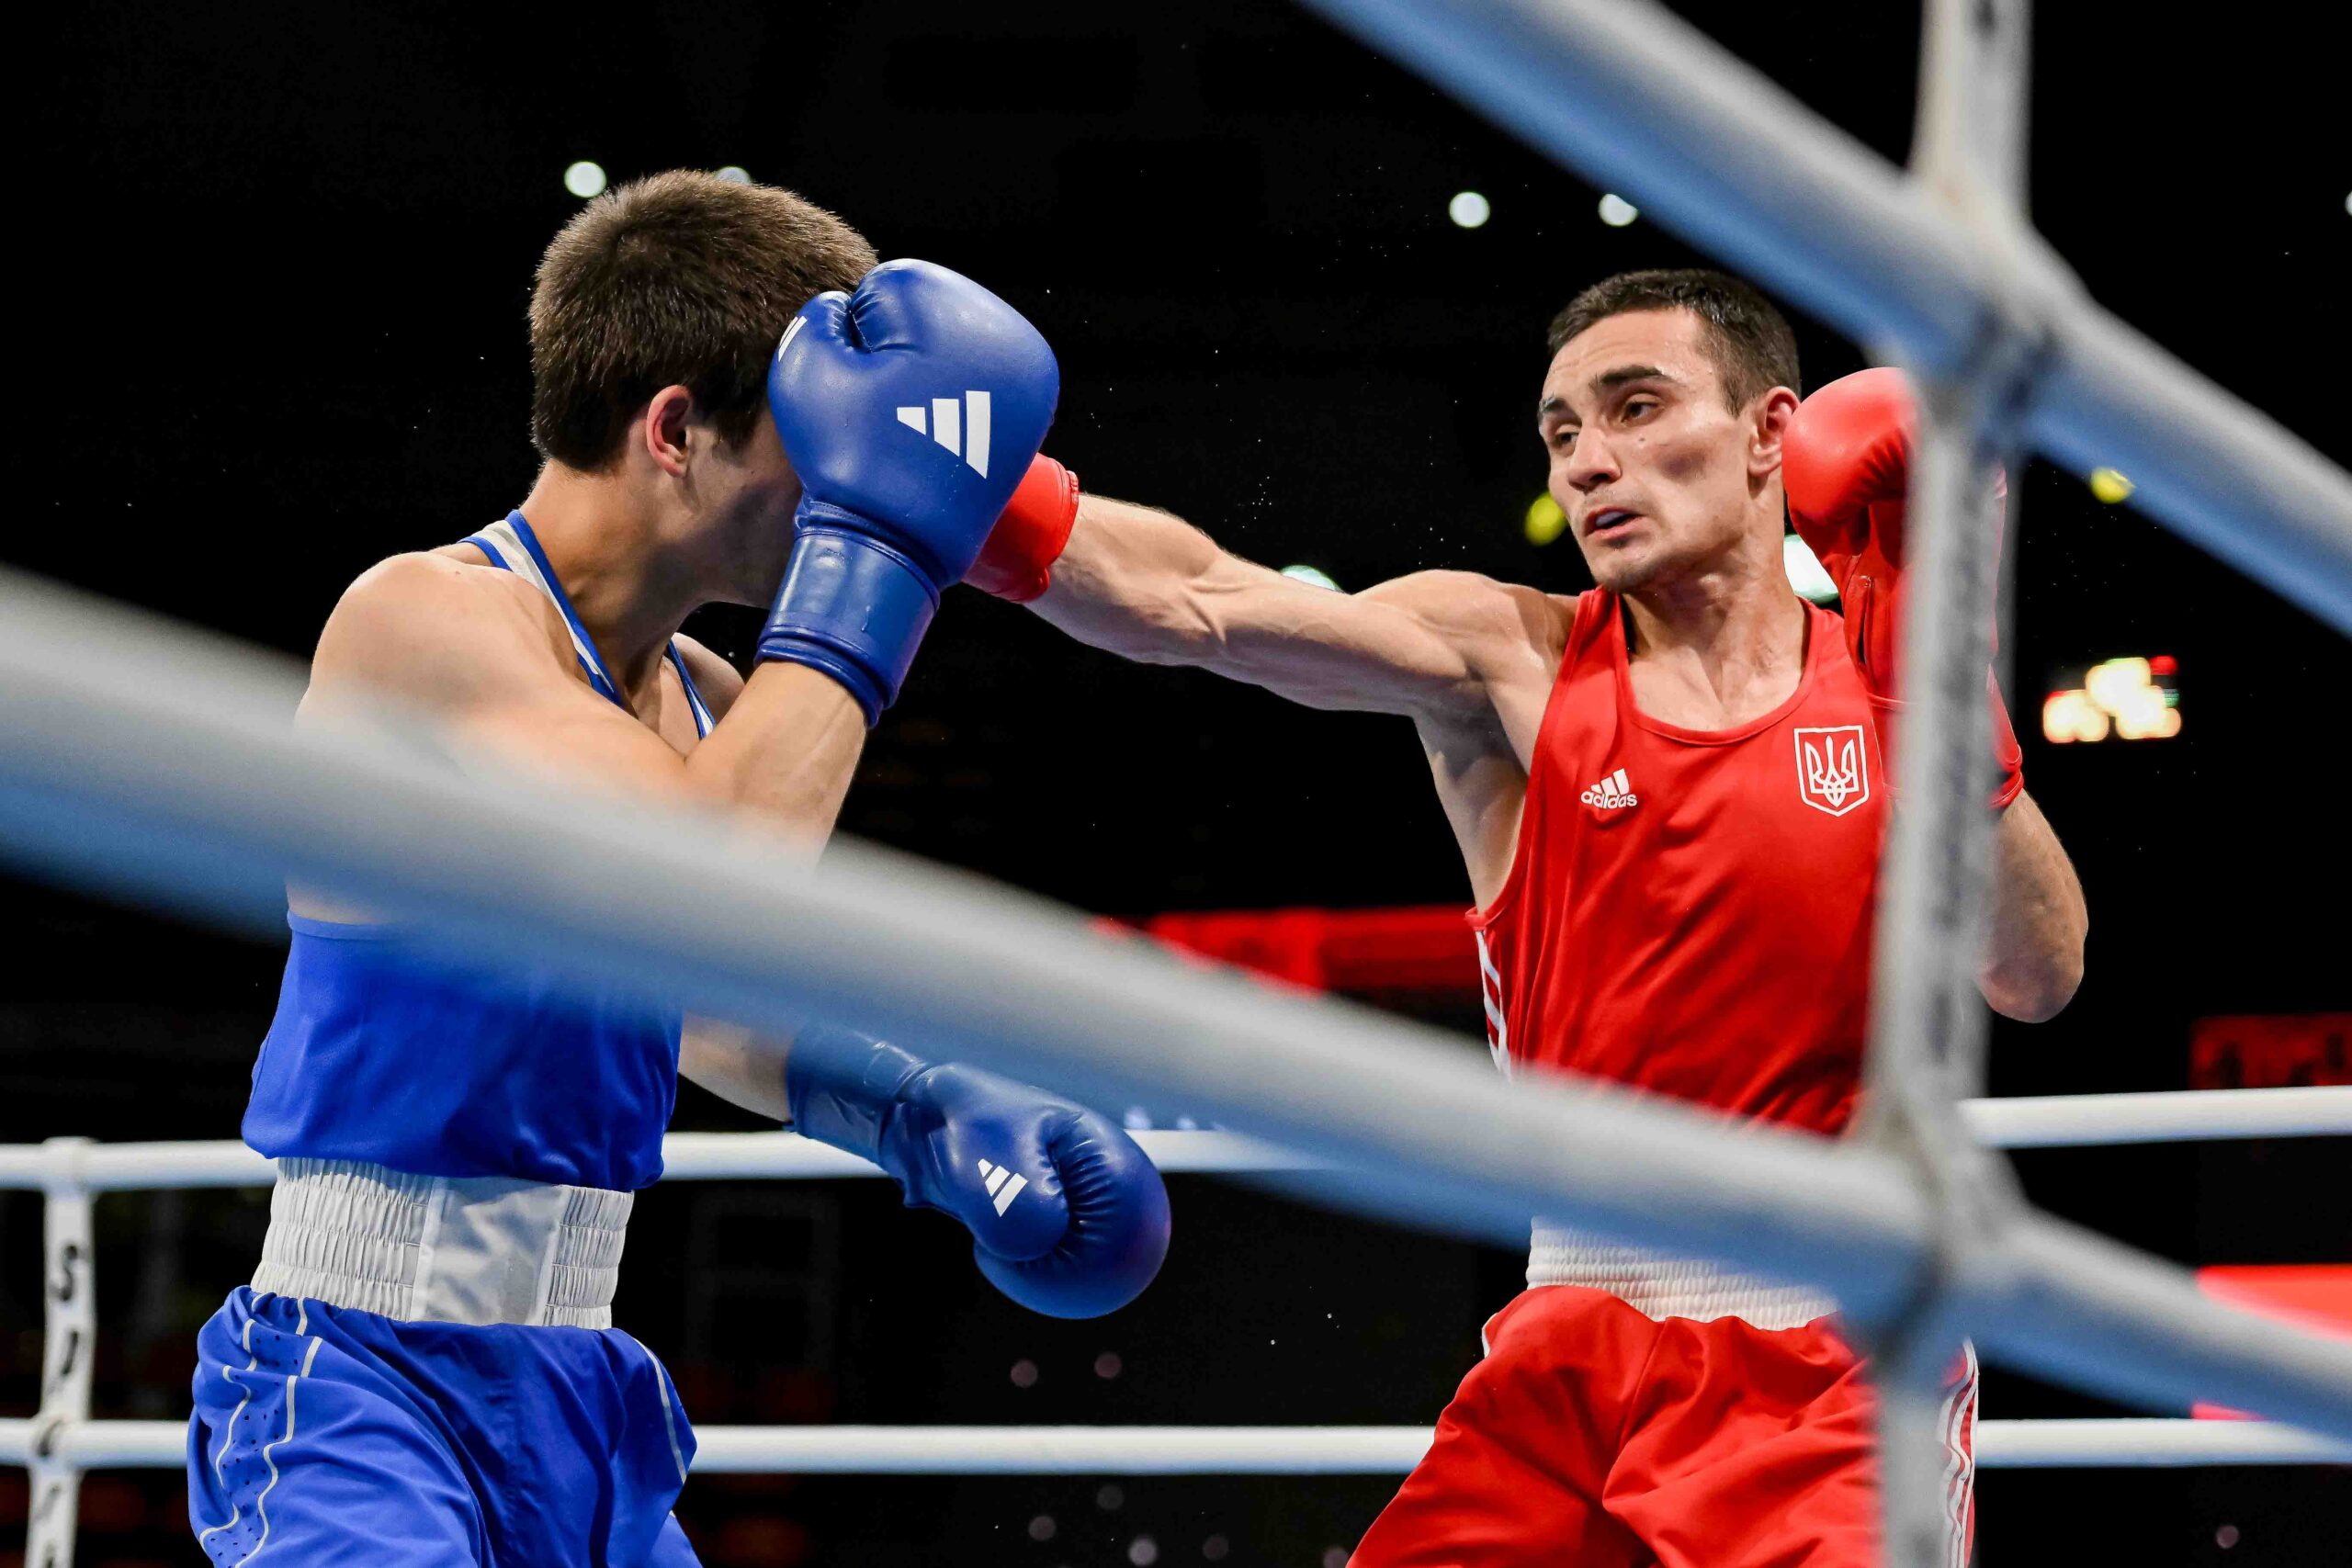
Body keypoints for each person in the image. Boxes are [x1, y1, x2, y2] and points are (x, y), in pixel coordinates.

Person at [970, 268, 2087, 1564]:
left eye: (1635, 407)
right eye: (1563, 434)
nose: (1589, 464)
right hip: (1571, 1334)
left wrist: (1949, 704)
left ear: (1773, 434)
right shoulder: (1519, 656)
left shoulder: (1885, 687)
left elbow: (2038, 972)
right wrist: (970, 497)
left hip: (1832, 1357)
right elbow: (1205, 602)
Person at [186, 171, 1170, 1568]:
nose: (840, 487)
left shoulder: (704, 698)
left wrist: (913, 1112)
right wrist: (879, 552)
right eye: (821, 449)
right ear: (675, 431)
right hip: (360, 1381)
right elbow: (717, 881)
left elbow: (705, 994)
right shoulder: (423, 622)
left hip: (578, 1387)